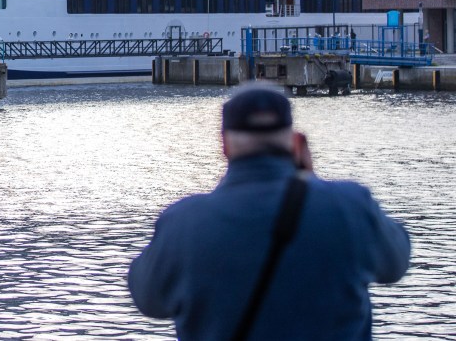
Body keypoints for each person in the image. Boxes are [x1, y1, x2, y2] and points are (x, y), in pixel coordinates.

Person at [128, 84, 409, 340]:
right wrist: (311, 183)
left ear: (224, 145)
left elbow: (148, 299)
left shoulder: (184, 222)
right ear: (296, 142)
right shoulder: (350, 206)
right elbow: (396, 263)